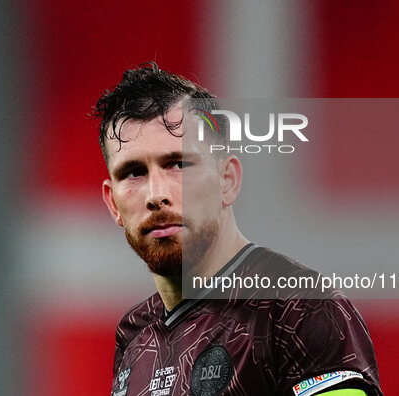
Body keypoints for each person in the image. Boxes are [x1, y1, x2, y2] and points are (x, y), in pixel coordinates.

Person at [94, 62, 382, 396]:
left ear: (227, 180)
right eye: (133, 172)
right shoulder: (134, 333)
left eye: (178, 164)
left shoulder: (297, 306)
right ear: (113, 203)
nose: (157, 194)